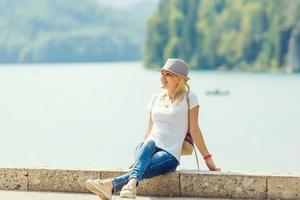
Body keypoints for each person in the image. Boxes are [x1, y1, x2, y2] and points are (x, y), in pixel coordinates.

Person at [83, 58, 220, 200]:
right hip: (148, 147)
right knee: (149, 142)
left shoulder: (190, 98)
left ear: (179, 79)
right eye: (162, 73)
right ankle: (128, 186)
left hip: (169, 154)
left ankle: (110, 184)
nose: (162, 77)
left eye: (168, 74)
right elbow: (149, 131)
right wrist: (140, 158)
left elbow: (195, 129)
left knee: (146, 158)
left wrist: (208, 159)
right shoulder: (155, 99)